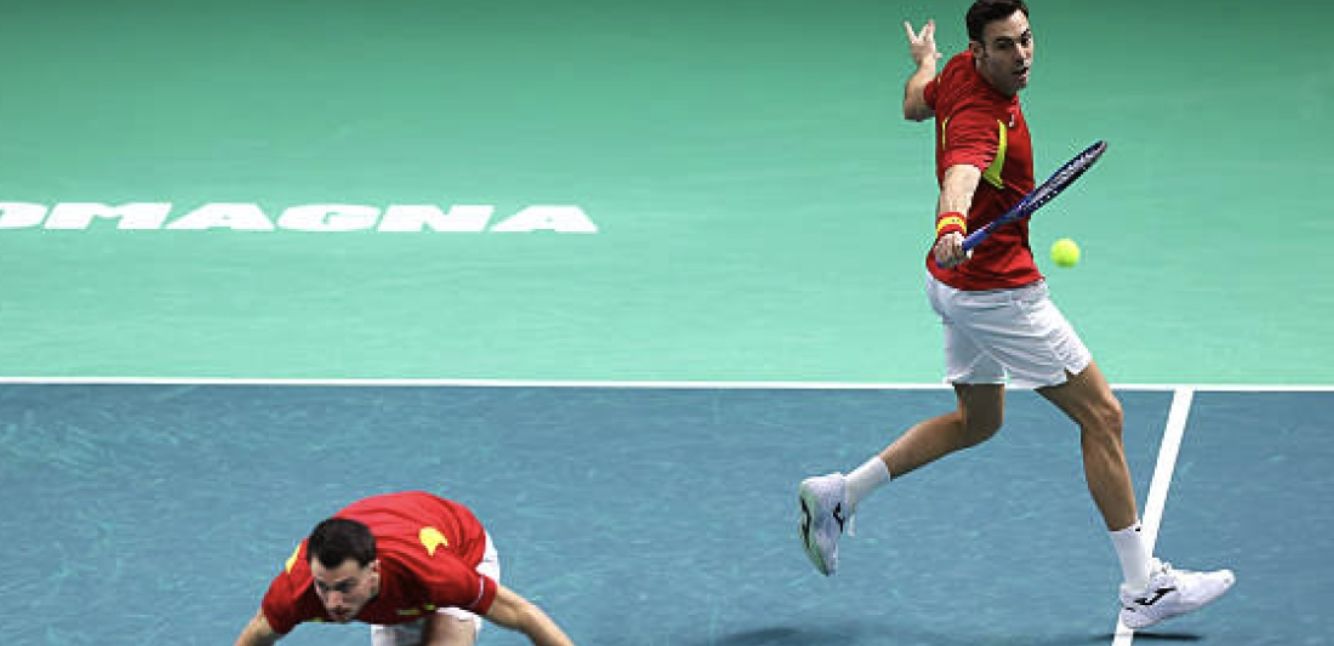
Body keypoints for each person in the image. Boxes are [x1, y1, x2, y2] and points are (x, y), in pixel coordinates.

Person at [796, 0, 1235, 631]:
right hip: (999, 295)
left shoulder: (952, 72)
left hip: (949, 282)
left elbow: (914, 104)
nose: (1021, 55)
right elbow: (962, 171)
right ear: (979, 52)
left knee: (977, 422)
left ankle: (842, 494)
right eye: (1005, 46)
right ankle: (1144, 588)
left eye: (1026, 40)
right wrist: (953, 219)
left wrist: (923, 61)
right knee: (1103, 416)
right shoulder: (982, 114)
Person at [233, 490, 574, 646]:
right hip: (399, 592)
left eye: (345, 587)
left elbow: (523, 615)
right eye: (325, 586)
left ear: (374, 571)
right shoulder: (298, 590)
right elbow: (255, 637)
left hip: (462, 548)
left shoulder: (436, 574)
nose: (333, 602)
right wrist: (332, 588)